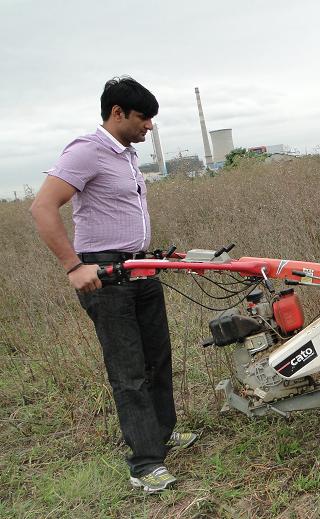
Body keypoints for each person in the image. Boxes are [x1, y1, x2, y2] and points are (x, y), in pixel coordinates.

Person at [30, 76, 197, 493]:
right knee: (129, 373)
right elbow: (42, 207)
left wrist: (155, 253)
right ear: (117, 113)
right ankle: (144, 464)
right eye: (144, 117)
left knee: (157, 360)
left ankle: (159, 433)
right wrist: (73, 267)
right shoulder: (87, 151)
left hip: (141, 269)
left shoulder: (127, 156)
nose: (150, 126)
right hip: (105, 278)